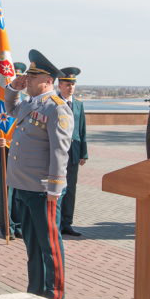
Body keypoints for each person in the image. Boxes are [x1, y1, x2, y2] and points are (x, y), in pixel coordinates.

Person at [5, 50, 74, 299]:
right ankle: (36, 292)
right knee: (33, 246)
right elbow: (9, 106)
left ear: (47, 80)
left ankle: (54, 295)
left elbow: (60, 152)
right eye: (27, 76)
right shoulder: (30, 103)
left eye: (32, 77)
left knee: (50, 246)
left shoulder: (57, 109)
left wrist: (55, 190)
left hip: (43, 190)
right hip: (24, 187)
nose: (27, 80)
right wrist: (13, 87)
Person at [0, 62, 27, 240]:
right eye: (13, 78)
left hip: (24, 152)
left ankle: (19, 225)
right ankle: (7, 227)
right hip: (5, 150)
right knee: (7, 190)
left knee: (21, 191)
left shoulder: (28, 99)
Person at [57, 67, 88, 237]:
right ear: (60, 85)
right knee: (57, 189)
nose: (71, 87)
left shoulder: (78, 104)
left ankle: (67, 223)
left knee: (70, 190)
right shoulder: (53, 102)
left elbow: (82, 129)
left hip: (74, 153)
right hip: (57, 153)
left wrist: (83, 153)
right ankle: (56, 223)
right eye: (68, 84)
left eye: (73, 84)